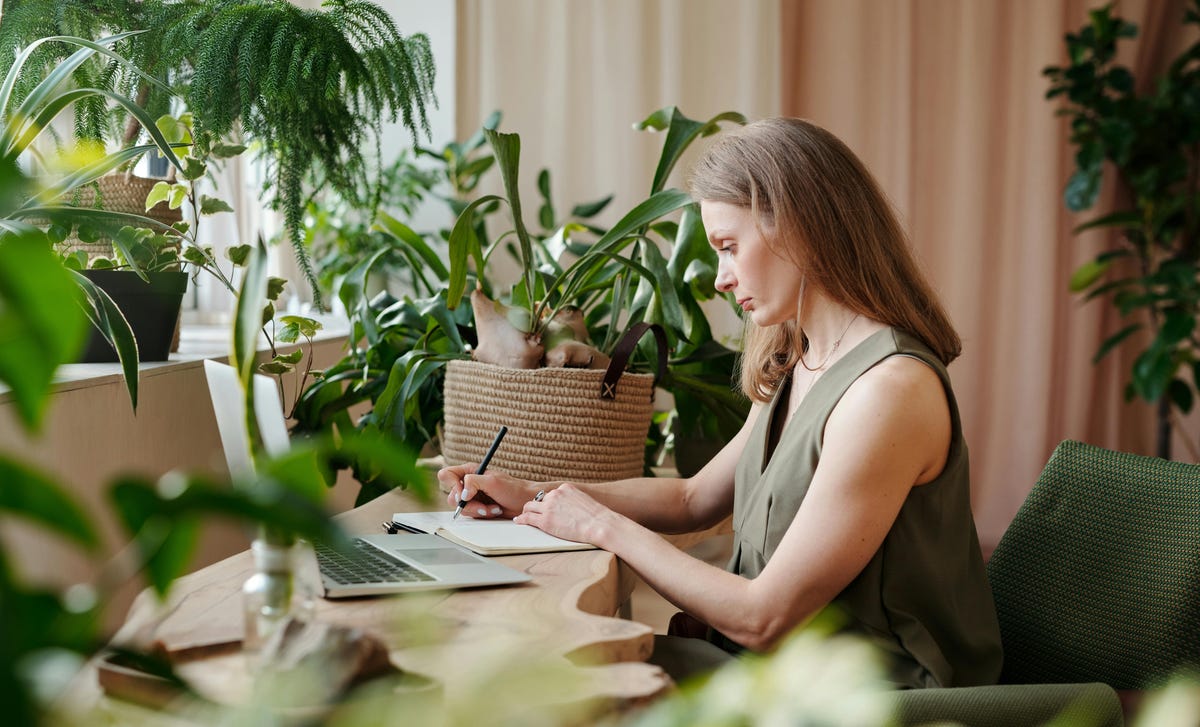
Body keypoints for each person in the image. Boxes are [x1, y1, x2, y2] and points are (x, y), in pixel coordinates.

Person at [438, 117, 1003, 688]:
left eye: (729, 247)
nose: (721, 280)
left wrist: (602, 526)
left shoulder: (888, 391)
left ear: (800, 226)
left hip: (869, 698)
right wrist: (534, 496)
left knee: (536, 683)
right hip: (775, 674)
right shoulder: (803, 357)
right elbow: (691, 499)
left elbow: (764, 617)